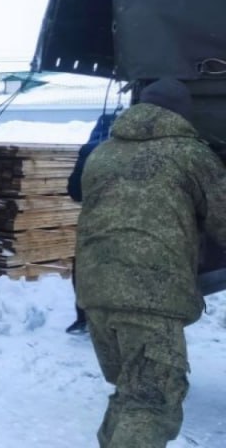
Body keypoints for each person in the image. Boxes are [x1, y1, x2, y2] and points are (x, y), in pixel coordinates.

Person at [76, 78, 226, 446]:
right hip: (149, 293)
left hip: (94, 290)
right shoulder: (190, 154)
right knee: (152, 402)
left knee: (131, 392)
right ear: (182, 113)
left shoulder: (103, 153)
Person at [66, 111, 119, 335]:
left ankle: (84, 318)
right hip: (131, 225)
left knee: (86, 270)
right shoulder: (141, 153)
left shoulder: (90, 151)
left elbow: (75, 192)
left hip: (94, 223)